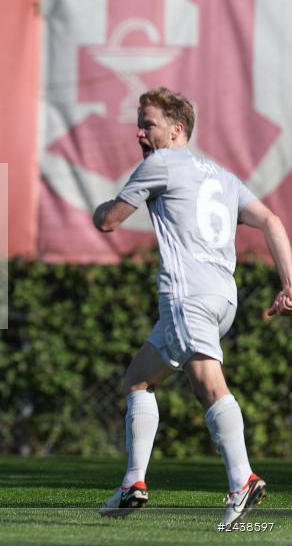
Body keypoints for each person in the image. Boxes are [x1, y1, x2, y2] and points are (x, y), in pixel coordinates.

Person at [93, 87, 292, 527]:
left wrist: (99, 210)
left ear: (176, 129)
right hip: (222, 296)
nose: (139, 132)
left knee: (209, 385)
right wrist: (289, 284)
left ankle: (242, 479)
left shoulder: (159, 163)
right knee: (138, 380)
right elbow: (272, 221)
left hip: (188, 295)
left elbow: (109, 221)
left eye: (148, 124)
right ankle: (132, 483)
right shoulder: (222, 176)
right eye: (139, 124)